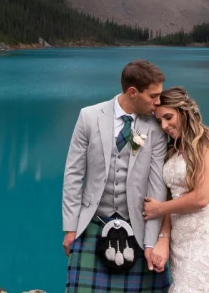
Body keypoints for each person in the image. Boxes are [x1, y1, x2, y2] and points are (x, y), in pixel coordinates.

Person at [62, 60, 171, 292]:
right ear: (133, 92)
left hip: (138, 228)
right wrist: (70, 228)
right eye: (153, 96)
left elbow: (157, 188)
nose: (158, 102)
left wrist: (151, 242)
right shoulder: (89, 117)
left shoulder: (155, 128)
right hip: (93, 222)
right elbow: (73, 174)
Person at [143, 86, 209, 293]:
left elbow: (202, 197)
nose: (164, 126)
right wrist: (163, 239)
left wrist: (159, 209)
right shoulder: (173, 149)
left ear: (183, 112)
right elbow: (169, 198)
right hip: (181, 239)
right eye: (159, 121)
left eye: (168, 117)